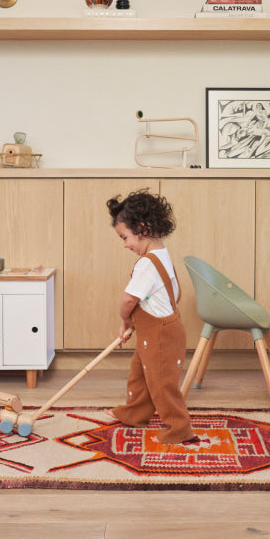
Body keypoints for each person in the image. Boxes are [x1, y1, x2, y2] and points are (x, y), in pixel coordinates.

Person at [104, 190, 195, 445]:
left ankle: (180, 428)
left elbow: (128, 300)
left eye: (125, 237)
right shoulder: (162, 257)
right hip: (159, 330)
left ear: (141, 228)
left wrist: (125, 320)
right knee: (140, 375)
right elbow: (174, 294)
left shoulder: (146, 264)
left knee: (161, 383)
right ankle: (134, 413)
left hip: (161, 335)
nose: (125, 244)